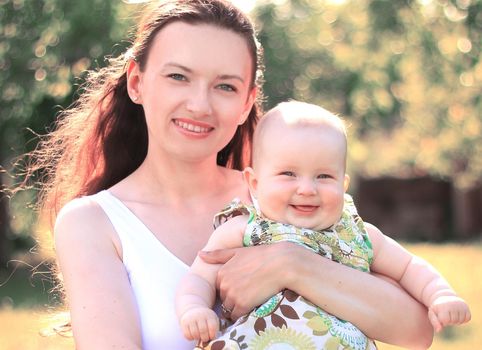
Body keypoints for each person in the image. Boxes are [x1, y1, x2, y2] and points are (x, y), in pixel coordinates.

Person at [27, 0, 434, 349]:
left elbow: (416, 331)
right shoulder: (94, 223)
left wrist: (293, 264)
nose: (200, 105)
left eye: (225, 86)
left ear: (246, 103)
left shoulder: (289, 193)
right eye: (178, 77)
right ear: (137, 82)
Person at [176, 100, 471, 349]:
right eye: (289, 174)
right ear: (254, 182)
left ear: (343, 185)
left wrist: (440, 295)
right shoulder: (246, 228)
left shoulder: (358, 235)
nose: (307, 189)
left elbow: (410, 267)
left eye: (323, 177)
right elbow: (201, 276)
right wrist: (194, 308)